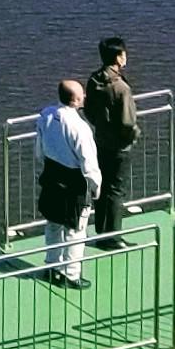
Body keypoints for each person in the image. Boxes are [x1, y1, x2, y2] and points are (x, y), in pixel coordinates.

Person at [34, 80, 102, 285]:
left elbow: (39, 147)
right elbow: (88, 162)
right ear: (77, 99)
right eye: (82, 94)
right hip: (74, 183)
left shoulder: (46, 115)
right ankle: (71, 274)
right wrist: (95, 187)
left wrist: (44, 162)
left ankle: (51, 267)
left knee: (53, 224)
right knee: (76, 230)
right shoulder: (80, 128)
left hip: (52, 175)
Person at [83, 39, 141, 240]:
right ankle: (113, 237)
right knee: (116, 189)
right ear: (118, 57)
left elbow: (88, 110)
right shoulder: (121, 88)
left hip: (100, 141)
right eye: (124, 53)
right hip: (119, 146)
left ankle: (101, 230)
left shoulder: (94, 80)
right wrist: (134, 135)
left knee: (103, 185)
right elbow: (127, 122)